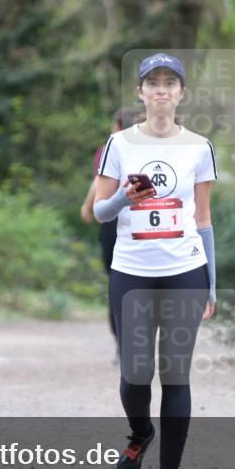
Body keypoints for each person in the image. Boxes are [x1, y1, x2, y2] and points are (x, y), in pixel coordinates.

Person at [93, 52, 217, 469]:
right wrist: (125, 197)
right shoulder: (120, 145)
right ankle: (141, 433)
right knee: (134, 376)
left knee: (176, 374)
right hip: (132, 272)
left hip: (185, 270)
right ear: (140, 93)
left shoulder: (199, 147)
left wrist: (213, 283)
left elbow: (203, 220)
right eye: (153, 82)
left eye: (170, 82)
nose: (161, 89)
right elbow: (99, 211)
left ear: (182, 93)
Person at [81, 106, 145, 363]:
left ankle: (123, 343)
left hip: (116, 220)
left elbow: (99, 182)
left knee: (118, 280)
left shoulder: (111, 147)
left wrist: (87, 207)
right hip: (144, 219)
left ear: (118, 126)